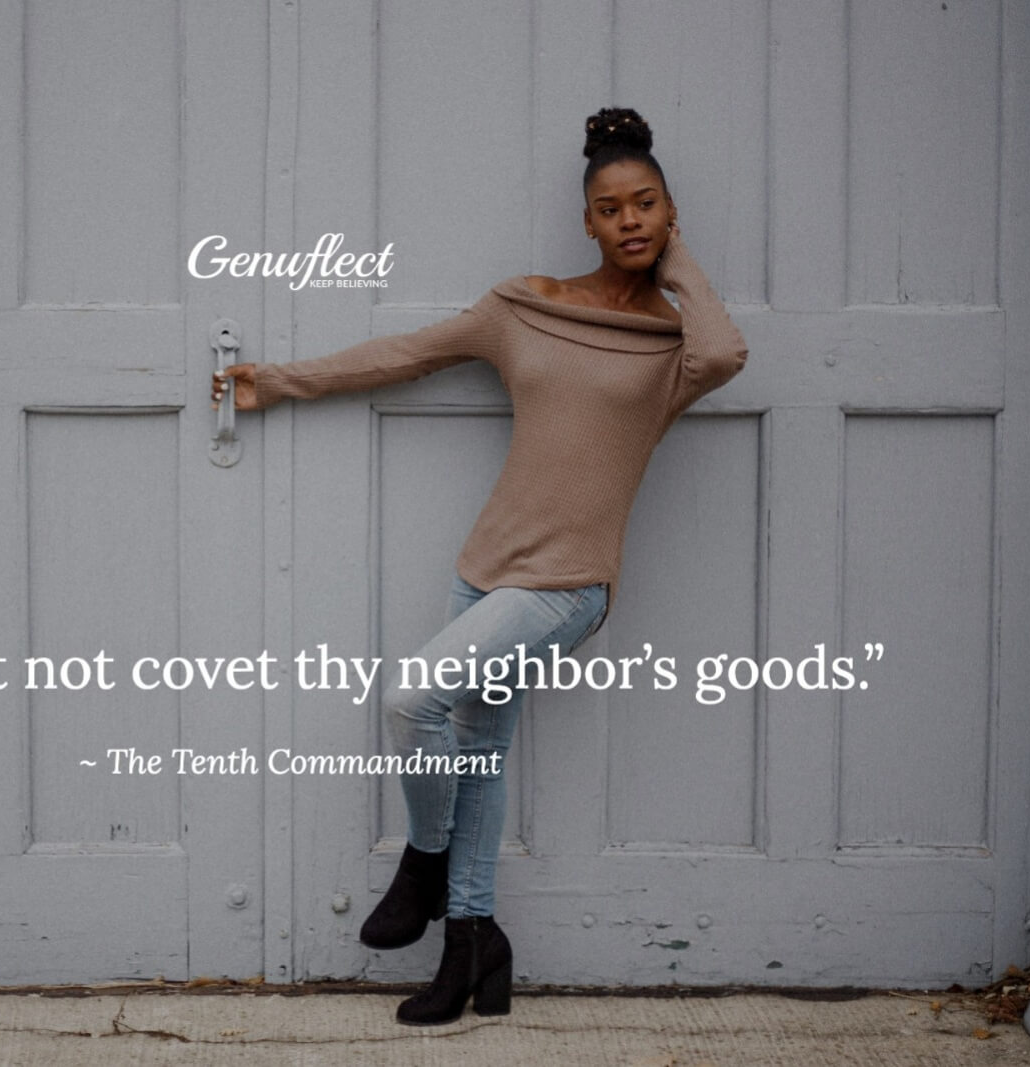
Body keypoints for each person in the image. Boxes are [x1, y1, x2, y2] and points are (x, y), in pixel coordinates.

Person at [213, 107, 748, 1025]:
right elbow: (407, 354)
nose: (628, 221)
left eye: (647, 205)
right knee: (482, 755)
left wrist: (679, 260)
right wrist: (278, 380)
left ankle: (423, 861)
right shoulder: (524, 305)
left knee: (411, 698)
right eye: (611, 207)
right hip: (486, 566)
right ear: (585, 219)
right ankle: (473, 945)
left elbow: (730, 352)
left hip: (569, 586)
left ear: (669, 215)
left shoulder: (676, 345)